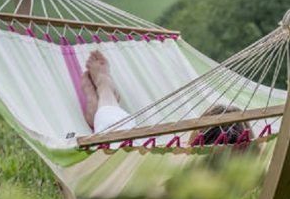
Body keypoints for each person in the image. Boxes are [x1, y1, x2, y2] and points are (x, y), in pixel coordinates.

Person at [81, 50, 253, 146]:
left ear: (197, 138)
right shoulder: (247, 173)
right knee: (126, 136)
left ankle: (105, 91)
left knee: (120, 137)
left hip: (127, 171)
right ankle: (102, 108)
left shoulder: (176, 168)